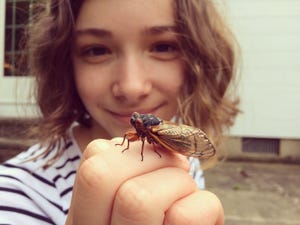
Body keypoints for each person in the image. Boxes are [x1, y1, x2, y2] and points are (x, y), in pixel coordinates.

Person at [0, 0, 240, 224]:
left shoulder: (182, 158)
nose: (131, 88)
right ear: (64, 64)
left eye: (163, 46)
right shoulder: (14, 196)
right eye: (97, 50)